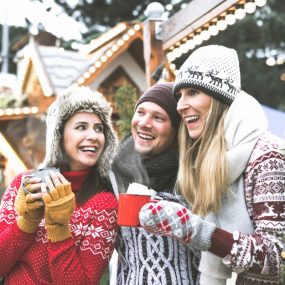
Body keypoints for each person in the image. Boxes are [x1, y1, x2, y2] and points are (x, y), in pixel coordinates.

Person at [139, 45, 285, 285]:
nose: (180, 105)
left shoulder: (267, 155)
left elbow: (274, 258)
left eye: (192, 92)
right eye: (179, 95)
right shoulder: (203, 160)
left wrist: (197, 231)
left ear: (219, 98)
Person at [0, 86, 118, 284]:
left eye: (99, 128)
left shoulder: (104, 204)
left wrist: (59, 228)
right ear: (59, 135)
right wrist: (27, 221)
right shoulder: (25, 185)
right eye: (81, 127)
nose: (94, 136)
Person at [109, 82, 200, 285]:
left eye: (158, 118)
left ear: (177, 130)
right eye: (140, 112)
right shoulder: (115, 174)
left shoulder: (195, 176)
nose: (144, 123)